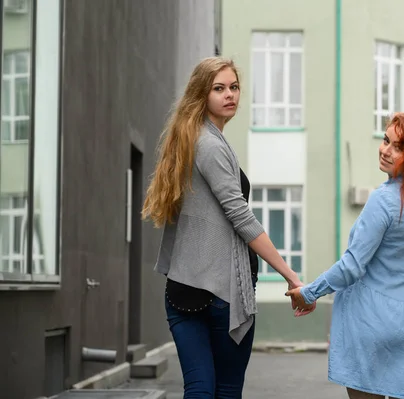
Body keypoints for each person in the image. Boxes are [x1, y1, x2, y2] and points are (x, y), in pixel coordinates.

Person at [142, 57, 314, 399]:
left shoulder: (189, 139)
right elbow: (241, 217)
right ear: (201, 95)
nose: (229, 95)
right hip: (221, 292)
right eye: (218, 88)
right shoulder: (208, 144)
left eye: (233, 87)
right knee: (225, 391)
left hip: (183, 288)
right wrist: (290, 275)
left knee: (199, 388)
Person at [286, 113, 404, 399]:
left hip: (371, 327)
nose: (385, 150)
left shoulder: (383, 201)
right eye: (385, 140)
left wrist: (309, 292)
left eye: (398, 147)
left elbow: (352, 266)